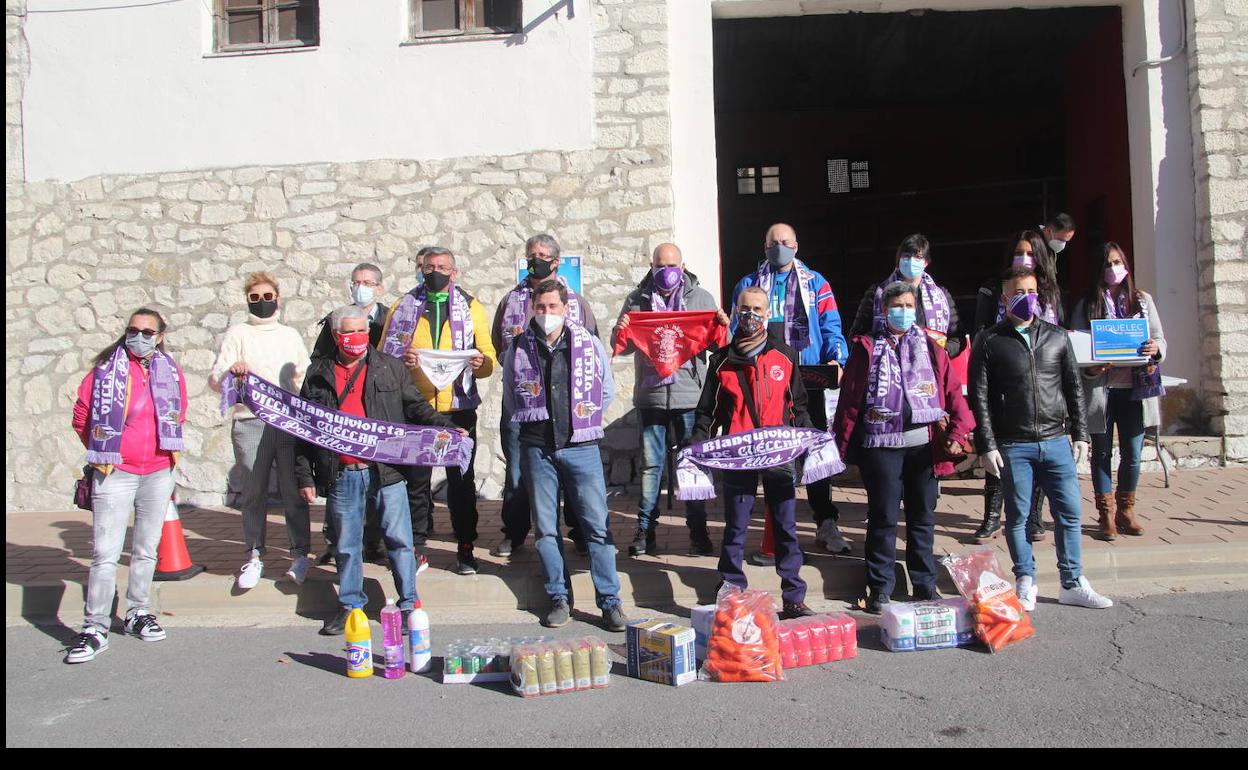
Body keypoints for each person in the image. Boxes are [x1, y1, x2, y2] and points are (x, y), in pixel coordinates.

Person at [295, 305, 461, 635]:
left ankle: (409, 602)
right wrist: (304, 476)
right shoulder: (318, 374)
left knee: (399, 541)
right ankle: (350, 606)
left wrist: (447, 427)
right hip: (342, 473)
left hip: (386, 471)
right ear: (336, 336)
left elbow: (416, 407)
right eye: (349, 332)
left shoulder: (390, 367)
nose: (357, 337)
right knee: (346, 545)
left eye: (362, 330)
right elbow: (304, 429)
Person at [970, 266, 1112, 611]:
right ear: (1005, 298)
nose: (1026, 298)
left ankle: (1072, 581)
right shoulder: (990, 341)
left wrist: (1080, 434)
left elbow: (1074, 388)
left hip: (1055, 439)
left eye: (1032, 291)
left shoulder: (1057, 337)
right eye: (1018, 293)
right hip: (1013, 443)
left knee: (1069, 512)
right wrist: (987, 444)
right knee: (1018, 516)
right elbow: (979, 396)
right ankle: (1025, 579)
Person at [834, 283, 976, 614]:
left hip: (923, 446)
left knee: (922, 517)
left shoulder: (931, 347)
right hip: (881, 446)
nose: (903, 311)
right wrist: (839, 448)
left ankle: (924, 583)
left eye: (909, 305)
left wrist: (959, 430)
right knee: (883, 517)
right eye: (897, 305)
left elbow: (953, 392)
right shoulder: (867, 347)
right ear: (884, 310)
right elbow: (850, 401)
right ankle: (881, 586)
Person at [501, 280, 627, 631]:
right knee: (545, 529)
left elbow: (605, 391)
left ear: (566, 308)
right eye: (540, 307)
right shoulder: (518, 347)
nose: (546, 313)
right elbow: (511, 396)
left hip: (581, 447)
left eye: (553, 307)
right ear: (532, 308)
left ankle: (610, 601)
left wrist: (582, 420)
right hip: (538, 448)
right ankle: (558, 597)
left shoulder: (589, 343)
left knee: (596, 527)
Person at [65, 309, 189, 664]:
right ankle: (95, 626)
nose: (139, 337)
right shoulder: (105, 370)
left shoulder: (170, 370)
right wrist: (103, 447)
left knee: (146, 549)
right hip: (115, 471)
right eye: (133, 330)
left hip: (158, 471)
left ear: (160, 336)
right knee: (105, 553)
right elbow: (82, 415)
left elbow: (179, 412)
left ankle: (138, 612)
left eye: (147, 332)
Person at [692, 286, 816, 620]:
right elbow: (708, 412)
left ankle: (794, 596)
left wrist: (811, 440)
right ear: (735, 312)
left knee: (786, 528)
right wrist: (696, 445)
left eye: (757, 310)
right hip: (738, 455)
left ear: (768, 313)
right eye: (745, 309)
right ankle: (731, 590)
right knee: (736, 527)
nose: (750, 316)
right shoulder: (721, 361)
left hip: (779, 454)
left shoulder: (786, 356)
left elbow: (798, 405)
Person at [729, 223, 849, 559]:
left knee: (815, 451)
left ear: (796, 246)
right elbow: (736, 330)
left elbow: (831, 325)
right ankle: (773, 535)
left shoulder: (816, 283)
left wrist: (837, 358)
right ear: (764, 245)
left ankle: (826, 522)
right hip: (766, 382)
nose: (778, 247)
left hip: (808, 380)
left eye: (785, 242)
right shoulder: (748, 285)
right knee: (773, 457)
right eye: (773, 242)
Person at [611, 243, 728, 557]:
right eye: (660, 265)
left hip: (689, 396)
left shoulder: (701, 299)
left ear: (683, 266)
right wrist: (621, 329)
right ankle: (645, 530)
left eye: (672, 265)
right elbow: (621, 346)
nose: (666, 271)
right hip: (651, 397)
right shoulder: (636, 301)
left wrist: (721, 326)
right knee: (651, 466)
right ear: (652, 267)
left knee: (691, 465)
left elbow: (719, 346)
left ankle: (698, 532)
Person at [389, 247, 497, 575]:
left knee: (461, 481)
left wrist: (480, 363)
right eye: (429, 267)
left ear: (454, 272)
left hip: (458, 406)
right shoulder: (404, 306)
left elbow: (488, 356)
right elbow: (385, 355)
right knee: (416, 481)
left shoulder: (471, 306)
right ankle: (418, 546)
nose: (435, 272)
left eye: (442, 267)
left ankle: (465, 545)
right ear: (420, 269)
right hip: (417, 407)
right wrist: (402, 359)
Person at [492, 234, 595, 557]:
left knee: (573, 470)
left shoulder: (576, 302)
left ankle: (579, 532)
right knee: (517, 469)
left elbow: (592, 346)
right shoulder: (511, 301)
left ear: (555, 261)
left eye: (542, 255)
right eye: (531, 254)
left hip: (568, 401)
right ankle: (514, 533)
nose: (535, 260)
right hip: (524, 402)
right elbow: (499, 344)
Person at [208, 273, 313, 589]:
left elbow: (304, 376)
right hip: (250, 421)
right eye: (255, 298)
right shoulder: (238, 334)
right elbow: (216, 378)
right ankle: (254, 555)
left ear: (278, 298)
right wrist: (232, 372)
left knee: (293, 490)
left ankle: (300, 555)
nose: (262, 302)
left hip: (287, 421)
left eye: (267, 296)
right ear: (247, 301)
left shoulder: (289, 335)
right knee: (253, 492)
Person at [970, 230, 1063, 545]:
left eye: (1030, 253)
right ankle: (992, 516)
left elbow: (1057, 333)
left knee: (1037, 451)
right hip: (1002, 378)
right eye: (1018, 253)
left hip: (1039, 384)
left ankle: (1034, 517)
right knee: (998, 452)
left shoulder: (1048, 292)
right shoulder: (992, 288)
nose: (1024, 259)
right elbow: (980, 329)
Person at [1071, 242, 1167, 540]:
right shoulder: (1087, 304)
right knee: (1101, 453)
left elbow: (1159, 338)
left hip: (1135, 390)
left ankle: (1126, 509)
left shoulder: (1142, 300)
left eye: (1117, 262)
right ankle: (1105, 515)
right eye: (1108, 264)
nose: (1114, 269)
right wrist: (1090, 368)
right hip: (1102, 391)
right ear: (1098, 269)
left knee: (1133, 453)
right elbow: (1074, 348)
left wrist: (1156, 348)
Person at [310, 263, 390, 565]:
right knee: (339, 478)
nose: (361, 287)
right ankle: (335, 543)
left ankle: (373, 542)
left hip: (376, 410)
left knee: (376, 480)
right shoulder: (336, 319)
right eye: (357, 282)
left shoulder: (389, 319)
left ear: (379, 288)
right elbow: (318, 360)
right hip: (342, 411)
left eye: (368, 282)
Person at [848, 233, 966, 358]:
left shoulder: (941, 296)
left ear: (926, 262)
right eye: (906, 256)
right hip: (886, 364)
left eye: (918, 257)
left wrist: (940, 355)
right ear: (898, 260)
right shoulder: (877, 293)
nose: (911, 261)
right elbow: (857, 337)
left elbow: (957, 338)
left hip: (930, 366)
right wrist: (883, 350)